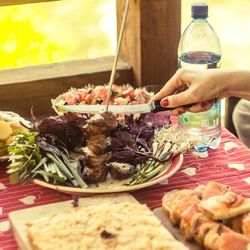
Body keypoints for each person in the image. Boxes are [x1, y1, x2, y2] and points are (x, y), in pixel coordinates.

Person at [152, 68, 250, 147]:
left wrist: (221, 83)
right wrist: (221, 84)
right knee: (243, 110)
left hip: (208, 133)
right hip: (190, 132)